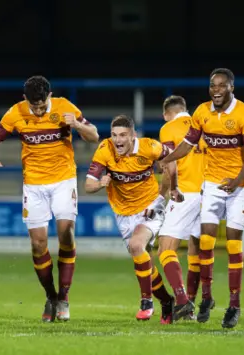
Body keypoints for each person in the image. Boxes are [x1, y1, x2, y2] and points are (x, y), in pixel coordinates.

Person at [0, 75, 99, 322]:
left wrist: (77, 125)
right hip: (33, 185)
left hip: (63, 180)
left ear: (50, 95)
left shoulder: (65, 107)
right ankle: (51, 296)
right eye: (33, 105)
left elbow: (94, 136)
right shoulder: (15, 112)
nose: (38, 110)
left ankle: (65, 297)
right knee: (38, 244)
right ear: (25, 99)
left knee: (66, 231)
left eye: (41, 104)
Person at [161, 68, 244, 328]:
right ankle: (206, 298)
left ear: (231, 88)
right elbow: (188, 144)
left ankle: (234, 305)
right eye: (212, 85)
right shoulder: (202, 112)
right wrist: (167, 158)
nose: (215, 90)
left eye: (221, 86)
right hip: (213, 183)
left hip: (242, 185)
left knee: (233, 245)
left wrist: (237, 182)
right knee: (205, 241)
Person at [85, 114, 176, 324]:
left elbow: (172, 161)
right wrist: (101, 183)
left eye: (123, 135)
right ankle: (166, 301)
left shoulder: (149, 147)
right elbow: (88, 185)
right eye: (115, 135)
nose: (118, 140)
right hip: (123, 214)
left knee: (137, 246)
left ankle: (146, 302)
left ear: (133, 136)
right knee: (145, 265)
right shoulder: (104, 149)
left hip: (149, 208)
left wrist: (163, 197)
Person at [156, 95, 207, 321]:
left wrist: (166, 192)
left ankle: (182, 300)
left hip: (185, 193)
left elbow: (170, 165)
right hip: (210, 194)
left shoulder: (169, 128)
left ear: (167, 113)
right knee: (195, 252)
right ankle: (191, 310)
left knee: (165, 249)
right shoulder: (203, 126)